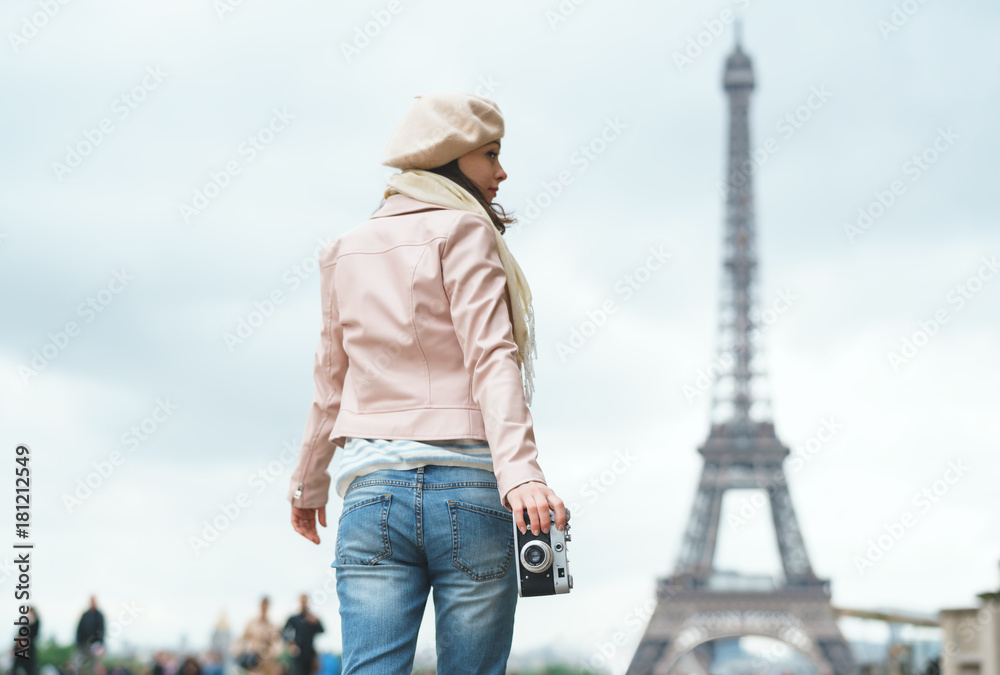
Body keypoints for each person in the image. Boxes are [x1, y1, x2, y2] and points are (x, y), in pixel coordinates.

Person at [287, 91, 566, 674]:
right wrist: (522, 474)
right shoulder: (465, 232)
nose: (502, 171)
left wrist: (308, 483)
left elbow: (329, 383)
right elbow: (492, 355)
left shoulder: (343, 249)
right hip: (469, 491)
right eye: (490, 154)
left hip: (371, 496)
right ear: (452, 158)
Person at [233, 597, 284, 675]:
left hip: (267, 663)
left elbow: (277, 643)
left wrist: (273, 653)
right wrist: (240, 650)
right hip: (254, 661)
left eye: (266, 605)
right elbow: (242, 639)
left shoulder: (272, 626)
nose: (264, 607)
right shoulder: (251, 623)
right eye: (262, 604)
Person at [282, 594, 324, 675]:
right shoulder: (294, 619)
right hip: (298, 652)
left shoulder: (312, 618)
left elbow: (322, 630)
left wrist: (316, 622)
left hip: (310, 652)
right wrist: (291, 645)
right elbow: (285, 632)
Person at [75, 596, 105, 675]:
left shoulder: (99, 615)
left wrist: (100, 643)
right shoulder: (85, 615)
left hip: (95, 645)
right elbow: (79, 629)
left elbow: (102, 630)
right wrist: (78, 642)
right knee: (79, 664)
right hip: (83, 644)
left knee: (94, 665)